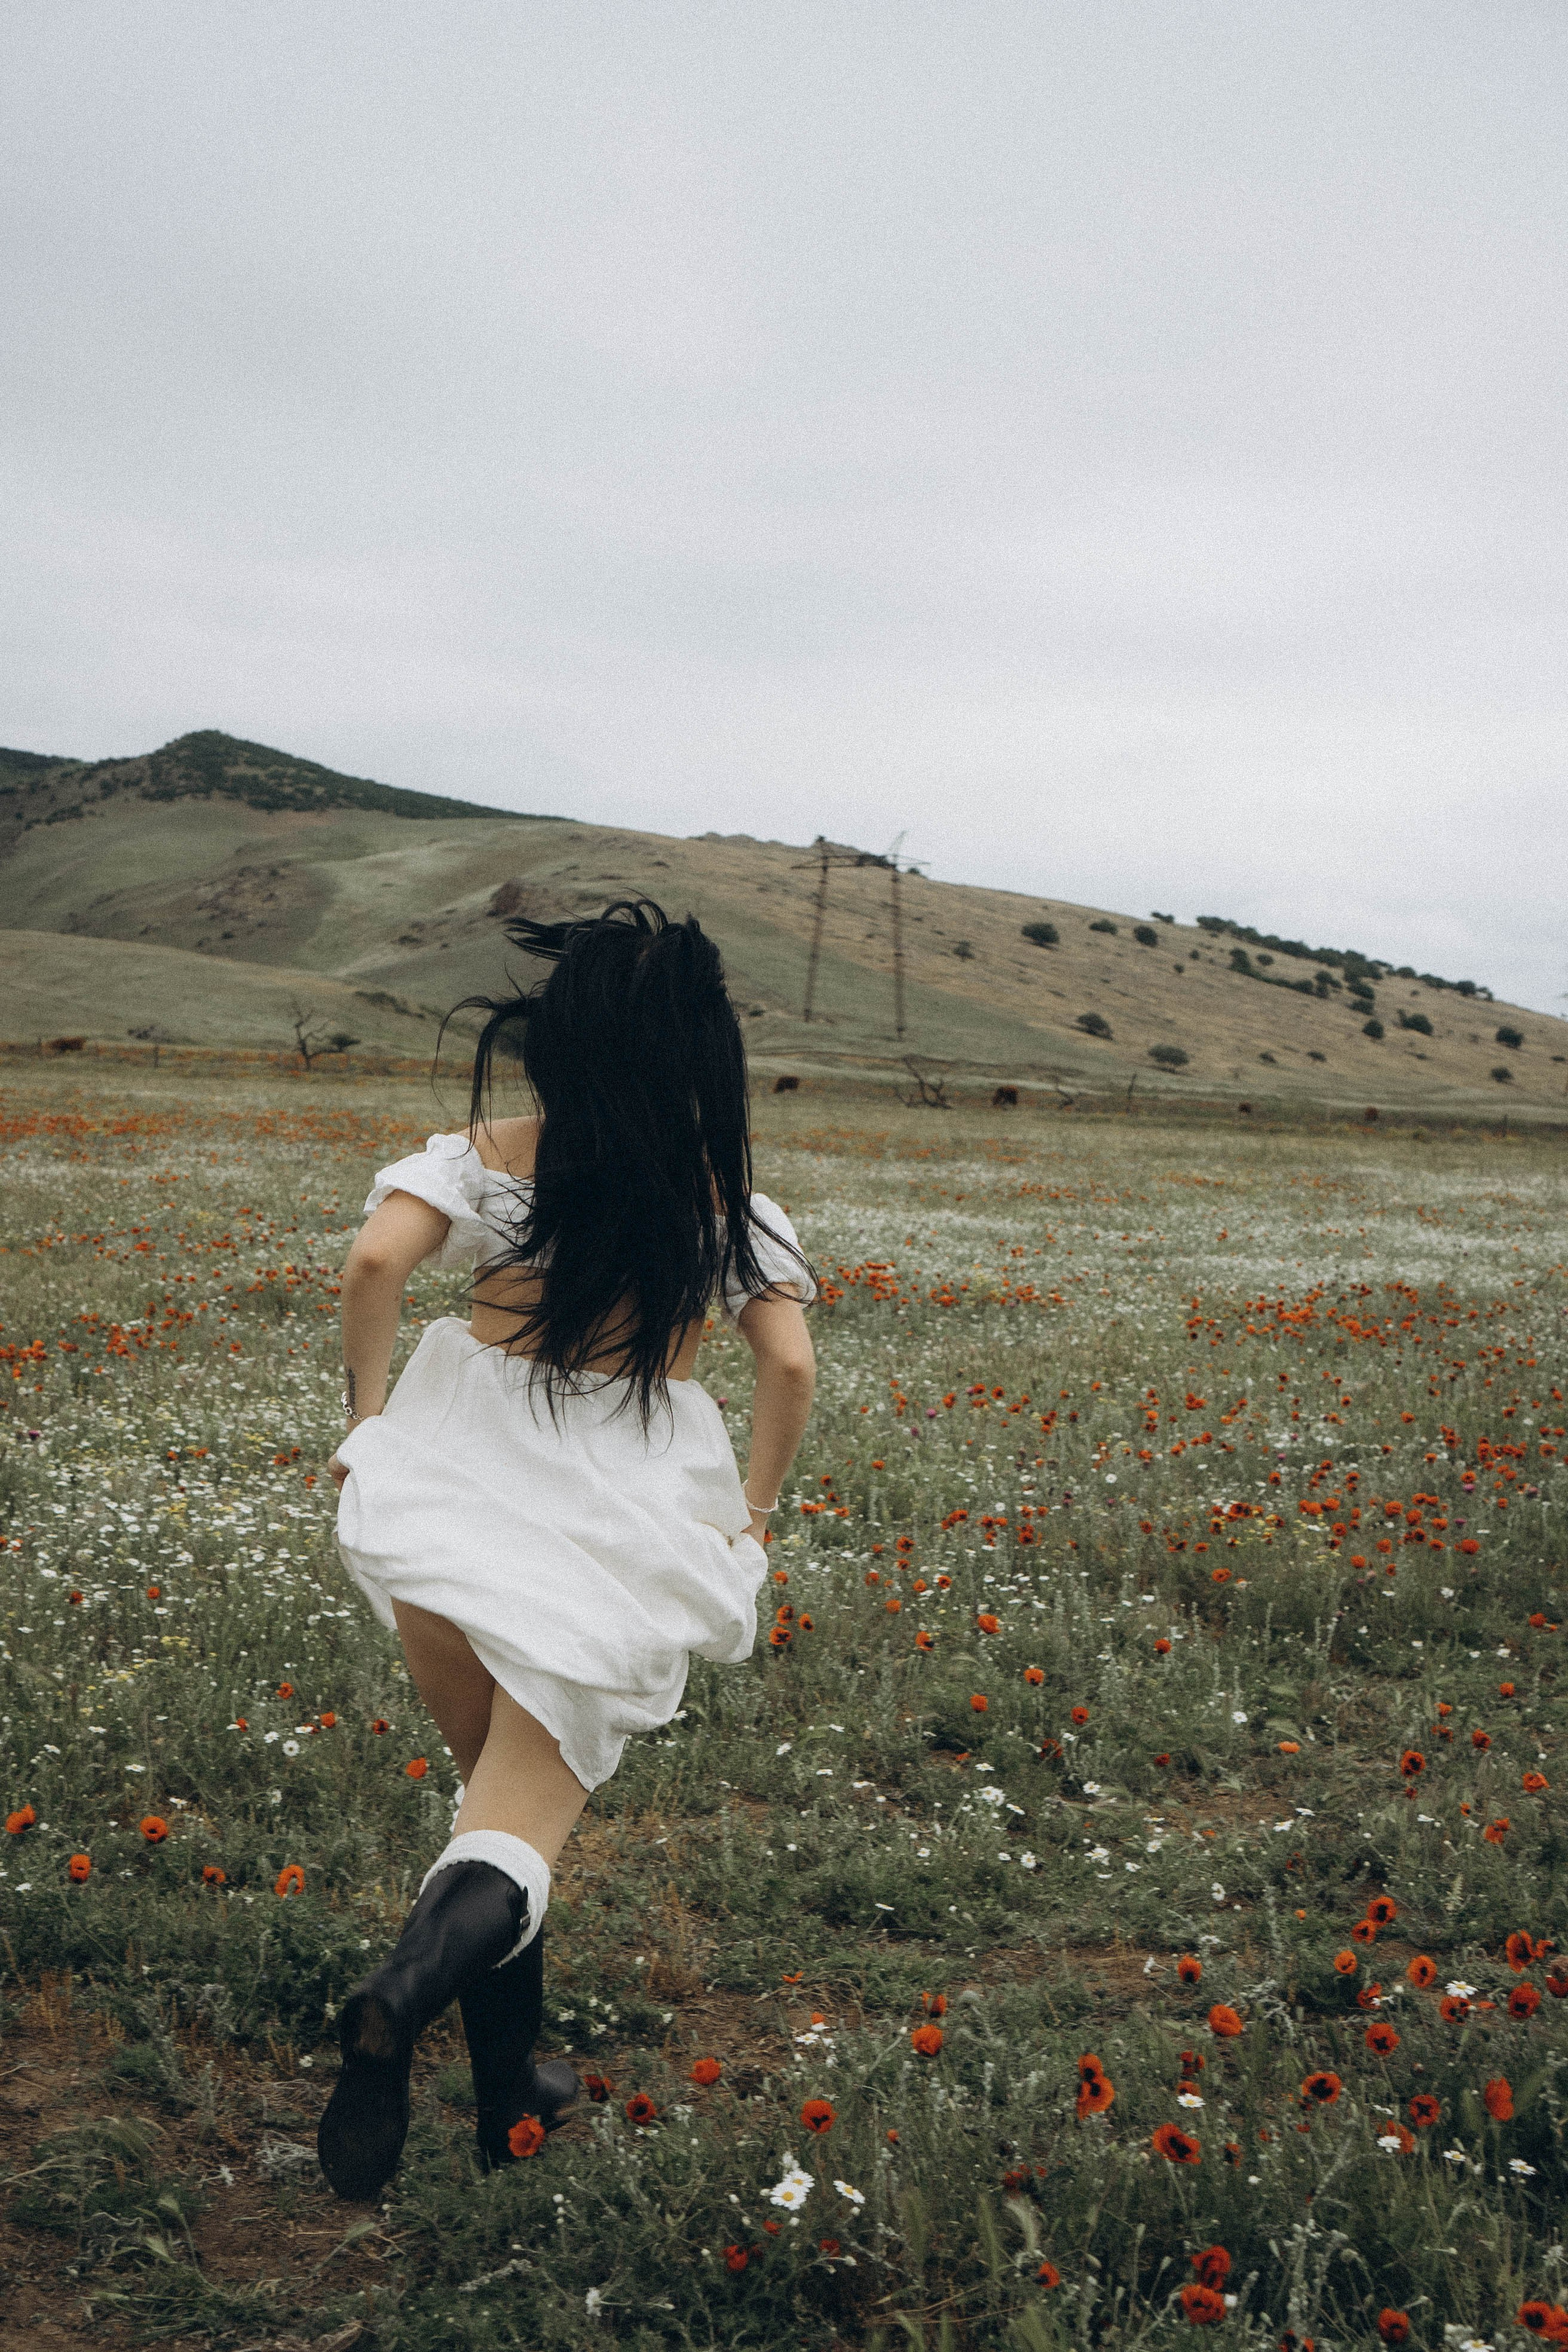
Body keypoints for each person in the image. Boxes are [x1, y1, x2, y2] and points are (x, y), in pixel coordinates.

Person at [315, 901, 816, 2200]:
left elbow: (375, 1258)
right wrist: (751, 1508)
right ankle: (402, 1991)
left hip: (446, 1481)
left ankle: (506, 2089)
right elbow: (788, 1365)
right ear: (696, 1056)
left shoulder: (490, 1152)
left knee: (489, 1797)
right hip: (620, 1509)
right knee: (519, 1820)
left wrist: (369, 1420)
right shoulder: (724, 1204)